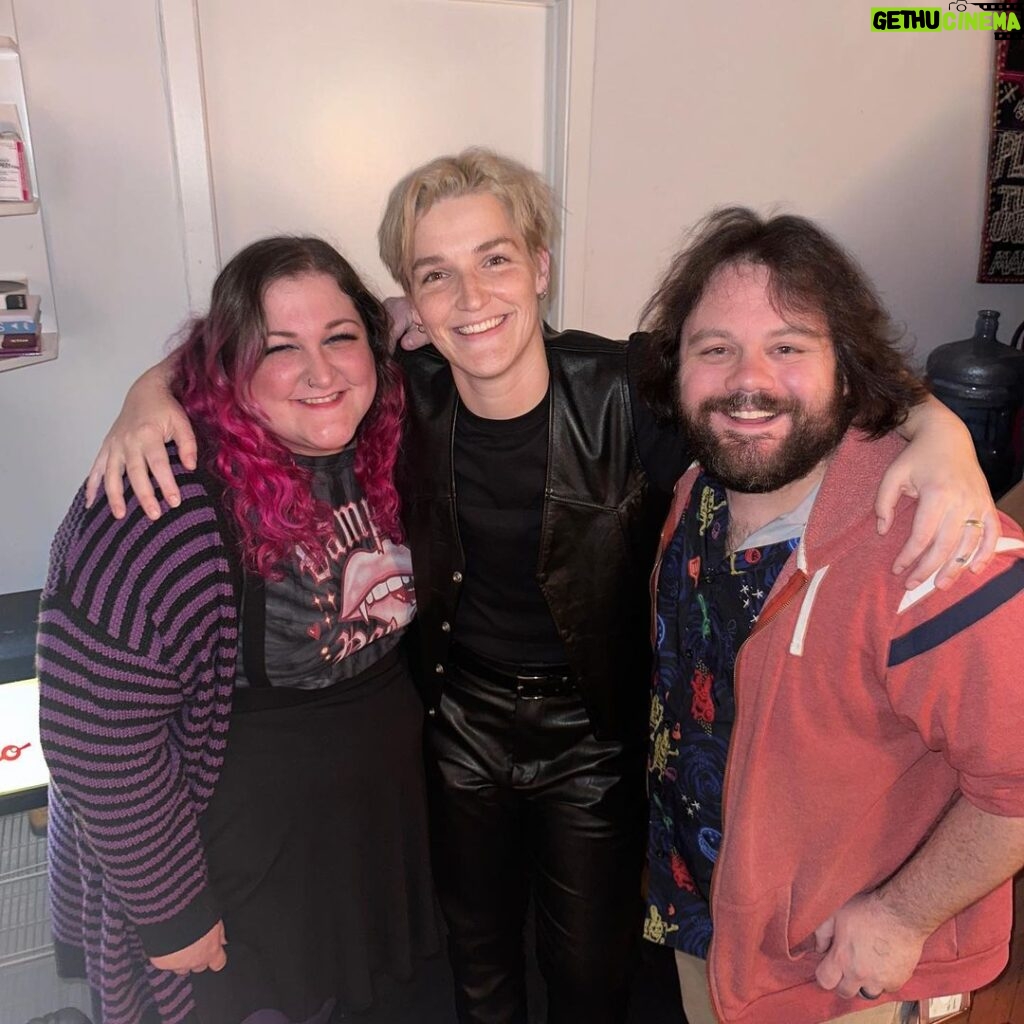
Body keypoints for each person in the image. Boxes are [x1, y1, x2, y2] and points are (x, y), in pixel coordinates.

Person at [84, 150, 999, 1024]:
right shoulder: (402, 391)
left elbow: (780, 389)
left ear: (540, 268)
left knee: (589, 966)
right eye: (437, 275)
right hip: (457, 719)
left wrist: (940, 428)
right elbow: (272, 351)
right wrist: (149, 390)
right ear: (412, 301)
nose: (472, 296)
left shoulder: (631, 387)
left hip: (591, 730)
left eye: (494, 260)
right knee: (474, 954)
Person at [37, 237, 440, 1024]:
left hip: (366, 817)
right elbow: (92, 729)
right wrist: (170, 907)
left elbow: (428, 313)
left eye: (338, 339)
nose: (321, 372)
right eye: (279, 350)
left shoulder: (386, 429)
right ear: (227, 367)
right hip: (234, 851)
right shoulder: (162, 502)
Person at [639, 208, 1024, 1024]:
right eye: (715, 349)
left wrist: (903, 913)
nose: (749, 380)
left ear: (848, 370)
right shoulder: (697, 496)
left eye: (788, 347)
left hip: (840, 975)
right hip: (708, 919)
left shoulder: (931, 552)